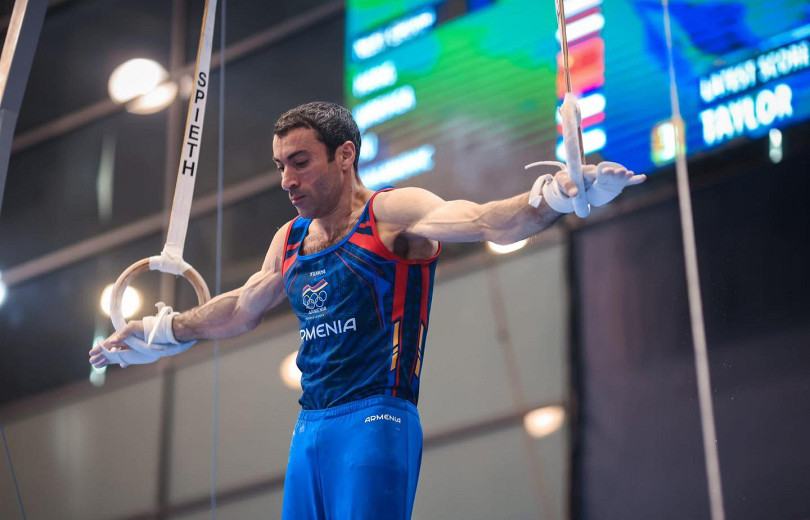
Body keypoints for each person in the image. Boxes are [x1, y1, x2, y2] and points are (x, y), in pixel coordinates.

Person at [89, 101, 644, 519]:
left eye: (301, 162)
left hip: (376, 421)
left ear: (345, 155)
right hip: (309, 431)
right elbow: (240, 308)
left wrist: (555, 196)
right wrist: (159, 330)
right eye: (282, 165)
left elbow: (482, 221)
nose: (287, 179)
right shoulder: (291, 239)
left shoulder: (392, 213)